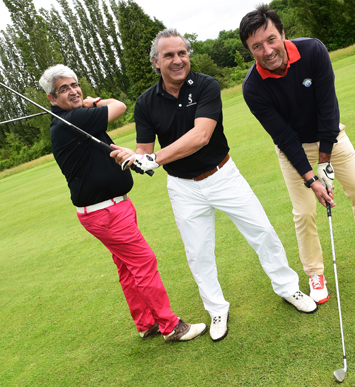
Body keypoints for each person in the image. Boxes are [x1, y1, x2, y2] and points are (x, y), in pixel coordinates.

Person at [110, 28, 317, 343]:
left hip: (222, 175)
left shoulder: (206, 85)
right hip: (183, 188)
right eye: (169, 55)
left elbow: (201, 135)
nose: (178, 60)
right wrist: (135, 158)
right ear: (156, 62)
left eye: (182, 53)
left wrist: (154, 158)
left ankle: (288, 288)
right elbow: (144, 149)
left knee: (262, 232)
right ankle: (217, 309)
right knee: (199, 253)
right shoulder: (146, 103)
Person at [239, 5, 355, 305]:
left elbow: (328, 108)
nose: (267, 50)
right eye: (257, 46)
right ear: (250, 51)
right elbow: (284, 136)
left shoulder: (313, 51)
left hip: (331, 137)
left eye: (271, 39)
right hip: (293, 149)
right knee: (304, 212)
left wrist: (325, 162)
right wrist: (311, 178)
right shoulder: (253, 88)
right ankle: (315, 273)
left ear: (283, 34)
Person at [38, 64, 206, 342]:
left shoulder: (68, 119)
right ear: (52, 99)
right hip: (106, 212)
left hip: (108, 209)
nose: (73, 91)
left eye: (74, 84)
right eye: (63, 89)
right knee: (143, 262)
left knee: (127, 267)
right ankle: (170, 326)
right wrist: (96, 101)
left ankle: (145, 322)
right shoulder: (74, 119)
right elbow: (120, 106)